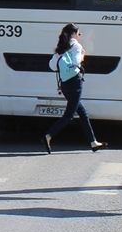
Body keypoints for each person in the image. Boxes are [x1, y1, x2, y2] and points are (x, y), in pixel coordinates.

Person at [44, 22, 106, 154]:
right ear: (73, 33)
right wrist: (83, 55)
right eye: (78, 32)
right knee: (69, 115)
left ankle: (93, 142)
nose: (80, 35)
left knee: (83, 113)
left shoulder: (61, 47)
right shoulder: (76, 46)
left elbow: (52, 66)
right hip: (75, 83)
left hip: (64, 83)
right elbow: (76, 62)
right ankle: (48, 135)